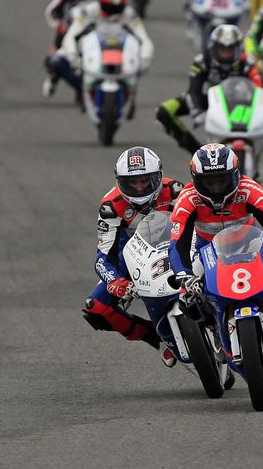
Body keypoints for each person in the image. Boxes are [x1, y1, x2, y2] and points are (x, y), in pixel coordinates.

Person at [83, 147, 183, 367]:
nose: (139, 187)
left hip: (176, 247)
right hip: (131, 256)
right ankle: (155, 339)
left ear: (157, 176)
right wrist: (115, 281)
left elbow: (198, 226)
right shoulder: (111, 206)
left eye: (145, 181)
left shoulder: (175, 190)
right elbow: (102, 256)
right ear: (121, 182)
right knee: (96, 307)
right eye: (132, 183)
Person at [169, 143, 263, 293]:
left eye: (222, 181)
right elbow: (177, 243)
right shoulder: (187, 199)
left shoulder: (249, 190)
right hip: (206, 252)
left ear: (236, 175)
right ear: (196, 181)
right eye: (209, 183)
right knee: (187, 298)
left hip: (252, 247)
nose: (216, 188)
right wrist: (184, 275)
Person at [156, 24, 262, 153]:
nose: (226, 54)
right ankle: (197, 151)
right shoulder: (202, 62)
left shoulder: (248, 63)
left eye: (230, 50)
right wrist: (197, 111)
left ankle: (252, 154)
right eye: (222, 49)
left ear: (238, 49)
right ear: (214, 48)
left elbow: (259, 88)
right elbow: (193, 89)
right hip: (207, 100)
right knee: (164, 111)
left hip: (237, 103)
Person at [57, 0, 154, 108]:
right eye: (107, 6)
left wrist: (145, 60)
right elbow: (71, 35)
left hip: (120, 51)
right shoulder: (89, 11)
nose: (112, 11)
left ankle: (130, 93)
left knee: (136, 62)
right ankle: (81, 89)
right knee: (56, 59)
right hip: (92, 50)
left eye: (115, 6)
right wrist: (73, 57)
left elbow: (145, 39)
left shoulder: (130, 14)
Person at [43, 0, 106, 97]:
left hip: (94, 26)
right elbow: (54, 8)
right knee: (52, 60)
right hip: (71, 24)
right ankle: (53, 76)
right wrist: (59, 23)